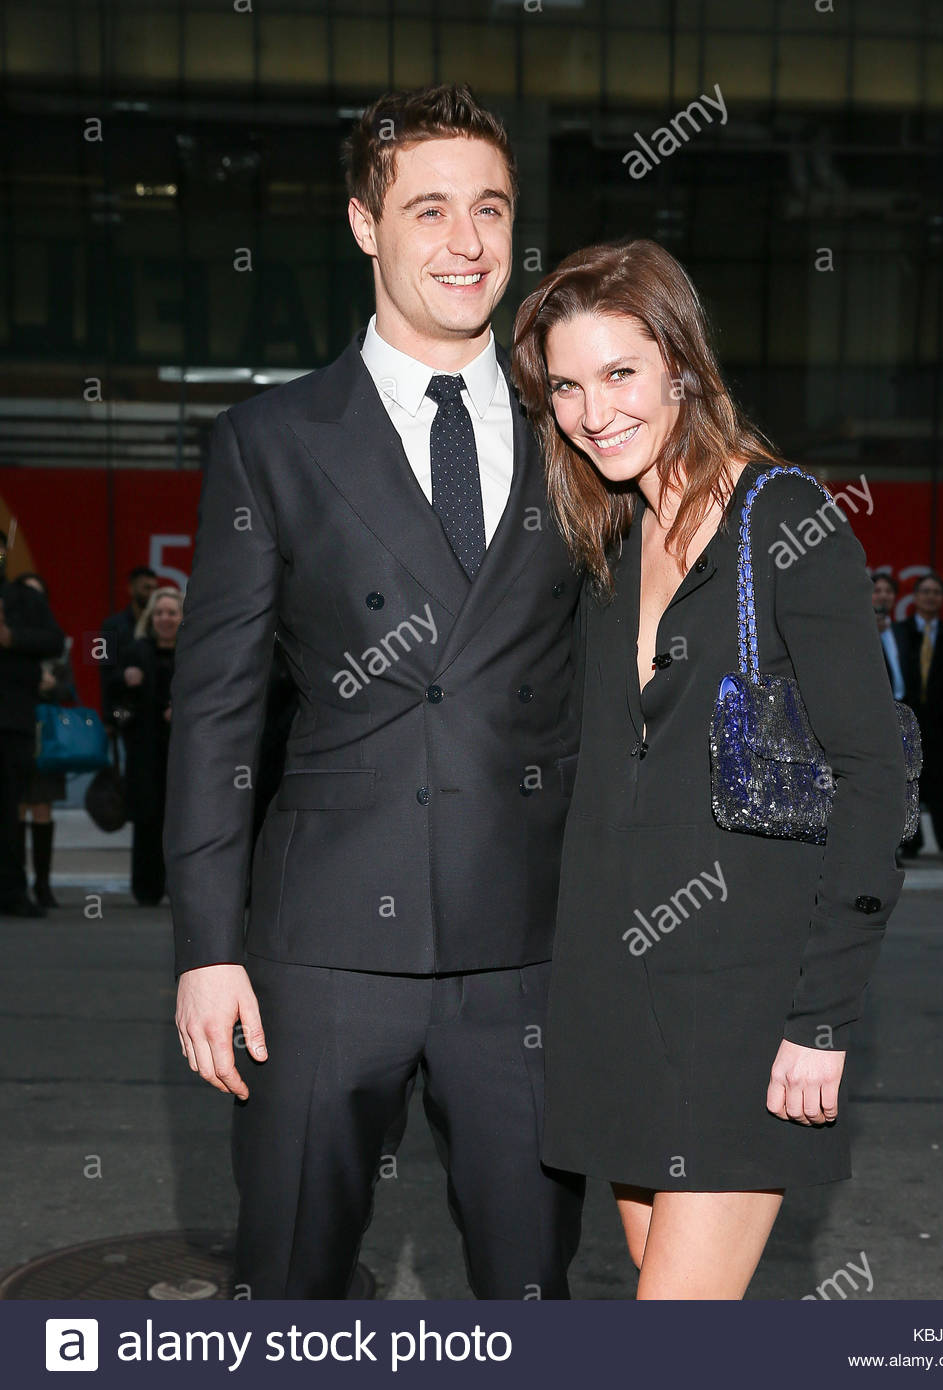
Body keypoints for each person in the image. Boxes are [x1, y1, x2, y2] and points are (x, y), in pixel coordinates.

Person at [164, 84, 585, 1301]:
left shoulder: (579, 434)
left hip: (526, 956)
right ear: (364, 223)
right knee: (293, 1283)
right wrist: (206, 947)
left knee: (533, 1296)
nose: (467, 243)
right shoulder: (273, 440)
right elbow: (218, 711)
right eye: (431, 209)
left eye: (492, 210)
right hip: (322, 952)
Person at [510, 239, 908, 1300]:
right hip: (617, 995)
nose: (593, 413)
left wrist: (821, 1018)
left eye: (620, 374)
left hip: (746, 1007)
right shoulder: (609, 535)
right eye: (566, 386)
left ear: (681, 364)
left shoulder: (788, 521)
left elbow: (873, 775)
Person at [0, 530, 65, 918]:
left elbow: (54, 640)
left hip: (11, 720)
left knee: (11, 810)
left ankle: (12, 890)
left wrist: (11, 637)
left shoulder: (25, 599)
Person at [107, 586, 181, 905]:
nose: (165, 619)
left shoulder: (195, 653)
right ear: (152, 618)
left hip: (185, 753)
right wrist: (125, 683)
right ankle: (147, 888)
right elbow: (116, 711)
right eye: (160, 613)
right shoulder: (136, 652)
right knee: (148, 819)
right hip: (145, 751)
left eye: (172, 613)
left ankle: (179, 887)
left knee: (182, 822)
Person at [16, 572, 78, 908]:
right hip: (15, 731)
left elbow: (70, 691)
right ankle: (14, 882)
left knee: (41, 808)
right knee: (15, 809)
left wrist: (50, 685)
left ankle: (42, 882)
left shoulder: (56, 644)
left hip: (47, 738)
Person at [894, 573, 943, 864]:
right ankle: (911, 841)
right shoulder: (899, 632)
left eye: (936, 592)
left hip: (938, 722)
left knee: (942, 784)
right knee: (909, 782)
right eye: (925, 592)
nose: (930, 597)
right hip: (907, 721)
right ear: (915, 597)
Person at [99, 566, 158, 725]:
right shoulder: (108, 626)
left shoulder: (160, 627)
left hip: (154, 712)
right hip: (123, 708)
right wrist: (107, 716)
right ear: (131, 589)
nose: (152, 594)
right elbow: (101, 669)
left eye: (154, 588)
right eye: (146, 588)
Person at [872, 570, 907, 701]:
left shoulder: (902, 631)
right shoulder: (857, 632)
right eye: (877, 591)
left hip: (903, 706)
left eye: (889, 591)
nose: (883, 596)